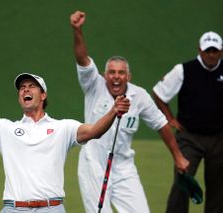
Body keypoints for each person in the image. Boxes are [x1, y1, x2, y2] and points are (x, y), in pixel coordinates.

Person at [0, 70, 131, 213]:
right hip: (14, 208)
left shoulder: (63, 128)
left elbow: (95, 131)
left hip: (52, 208)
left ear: (43, 95)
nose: (25, 90)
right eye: (22, 87)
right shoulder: (5, 128)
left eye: (31, 86)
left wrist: (113, 111)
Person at [70, 10, 189, 213]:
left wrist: (177, 156)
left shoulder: (140, 96)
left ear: (129, 76)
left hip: (124, 168)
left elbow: (161, 124)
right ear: (104, 75)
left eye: (121, 73)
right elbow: (82, 59)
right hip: (94, 165)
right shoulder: (93, 84)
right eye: (112, 72)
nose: (116, 77)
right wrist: (77, 31)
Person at [152, 31, 223, 213]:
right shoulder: (183, 70)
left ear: (221, 52)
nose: (211, 55)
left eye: (215, 51)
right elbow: (159, 93)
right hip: (189, 137)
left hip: (218, 138)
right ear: (200, 50)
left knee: (218, 187)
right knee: (182, 182)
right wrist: (170, 119)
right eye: (208, 51)